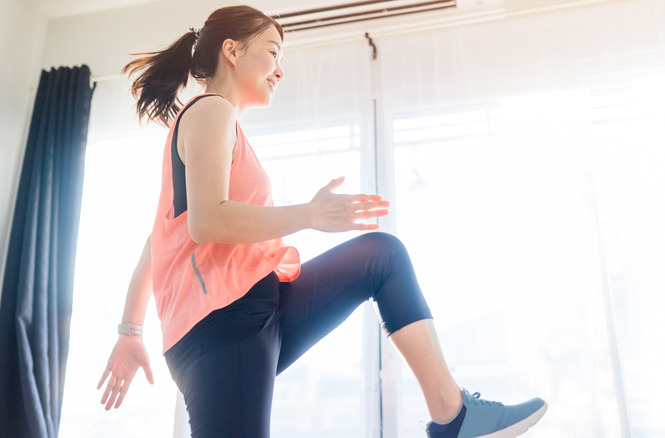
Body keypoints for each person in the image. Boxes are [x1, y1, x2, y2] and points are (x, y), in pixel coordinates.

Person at [97, 5, 547, 438]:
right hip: (225, 323)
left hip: (254, 310)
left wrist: (130, 330)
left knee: (382, 257)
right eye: (273, 52)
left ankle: (453, 416)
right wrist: (310, 214)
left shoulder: (218, 121)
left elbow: (160, 239)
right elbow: (207, 222)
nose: (279, 70)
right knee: (381, 256)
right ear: (232, 51)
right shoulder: (211, 110)